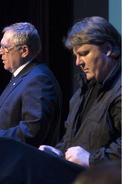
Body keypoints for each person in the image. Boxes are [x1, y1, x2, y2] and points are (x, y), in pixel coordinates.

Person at [39, 16, 121, 167]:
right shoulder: (82, 92)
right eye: (76, 56)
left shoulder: (119, 89)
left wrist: (91, 160)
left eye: (84, 53)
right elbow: (71, 140)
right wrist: (58, 153)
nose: (78, 62)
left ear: (108, 49)